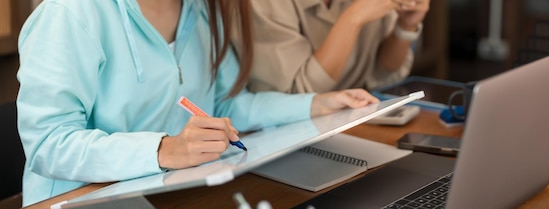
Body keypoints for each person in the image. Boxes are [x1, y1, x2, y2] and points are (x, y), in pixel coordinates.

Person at [16, 0, 379, 206]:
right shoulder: (70, 13)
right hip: (82, 201)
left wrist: (314, 104)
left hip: (173, 191)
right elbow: (49, 145)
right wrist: (164, 150)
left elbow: (226, 107)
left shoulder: (203, 10)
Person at [232, 0, 430, 93]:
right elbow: (297, 93)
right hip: (291, 134)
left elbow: (385, 72)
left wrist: (405, 26)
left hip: (358, 116)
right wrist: (353, 19)